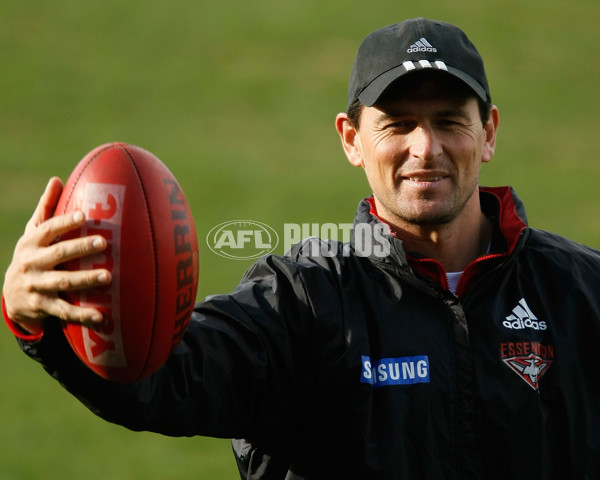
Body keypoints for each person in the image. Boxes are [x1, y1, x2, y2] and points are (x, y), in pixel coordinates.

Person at [2, 17, 600, 480]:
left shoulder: (580, 292)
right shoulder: (303, 301)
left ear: (488, 132)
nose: (426, 147)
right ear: (351, 139)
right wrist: (44, 323)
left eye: (449, 121)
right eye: (396, 124)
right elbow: (164, 381)